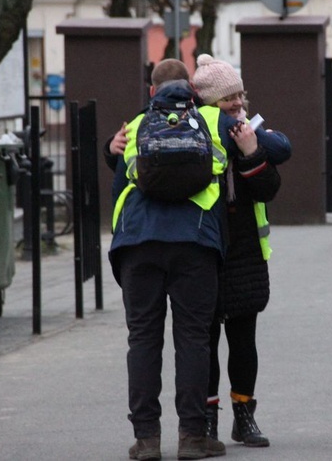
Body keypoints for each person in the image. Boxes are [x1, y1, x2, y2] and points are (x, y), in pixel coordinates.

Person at [106, 58, 236, 461]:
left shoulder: (133, 125)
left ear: (151, 92)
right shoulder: (214, 120)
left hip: (139, 244)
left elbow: (119, 185)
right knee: (193, 339)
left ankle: (146, 440)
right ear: (193, 90)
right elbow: (269, 148)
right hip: (194, 243)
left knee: (143, 338)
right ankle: (192, 437)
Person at [191, 54, 291, 448]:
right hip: (205, 248)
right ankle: (209, 419)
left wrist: (251, 153)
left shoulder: (251, 131)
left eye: (239, 95)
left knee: (243, 340)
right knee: (205, 342)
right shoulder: (196, 131)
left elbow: (268, 189)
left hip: (246, 250)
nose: (236, 103)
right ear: (209, 103)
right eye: (227, 98)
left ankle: (244, 415)